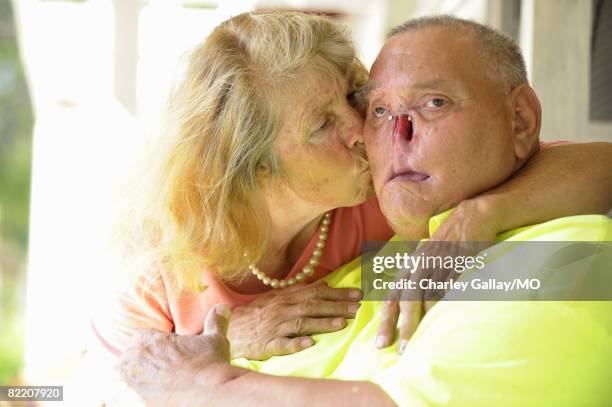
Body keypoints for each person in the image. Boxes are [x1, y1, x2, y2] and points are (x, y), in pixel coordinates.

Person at [116, 14, 612, 406]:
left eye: (434, 102)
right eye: (377, 110)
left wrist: (483, 214)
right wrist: (224, 345)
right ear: (256, 168)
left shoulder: (549, 254)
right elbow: (121, 384)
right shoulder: (157, 274)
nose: (370, 133)